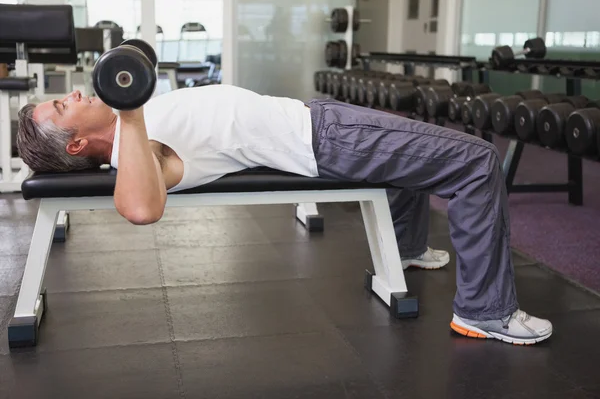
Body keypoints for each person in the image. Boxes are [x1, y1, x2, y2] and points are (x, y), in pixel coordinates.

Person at [16, 85, 552, 345]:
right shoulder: (140, 146)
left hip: (314, 118)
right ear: (78, 143)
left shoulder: (134, 133)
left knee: (414, 142)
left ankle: (408, 249)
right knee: (478, 161)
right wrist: (130, 114)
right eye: (63, 106)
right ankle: (485, 309)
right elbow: (139, 206)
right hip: (323, 139)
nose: (76, 91)